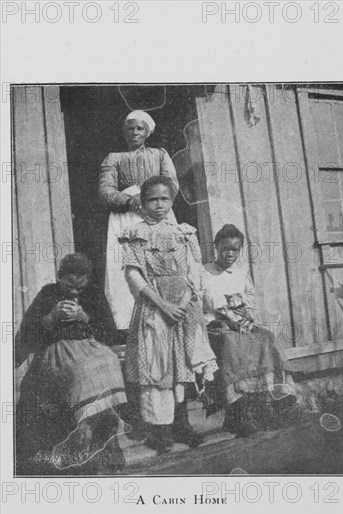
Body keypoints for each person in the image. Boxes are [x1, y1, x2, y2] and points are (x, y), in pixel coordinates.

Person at [119, 176, 218, 453]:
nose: (159, 204)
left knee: (183, 365)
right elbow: (134, 275)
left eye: (164, 199)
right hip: (154, 307)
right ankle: (159, 430)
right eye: (152, 199)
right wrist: (163, 305)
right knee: (157, 365)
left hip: (184, 307)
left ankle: (182, 424)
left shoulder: (183, 233)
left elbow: (193, 272)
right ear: (142, 202)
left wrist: (184, 303)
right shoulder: (135, 233)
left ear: (171, 201)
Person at [15, 253, 127, 475]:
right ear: (61, 277)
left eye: (81, 284)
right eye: (70, 284)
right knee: (81, 370)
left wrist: (85, 316)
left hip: (91, 349)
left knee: (109, 362)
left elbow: (110, 334)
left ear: (87, 279)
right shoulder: (48, 293)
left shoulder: (94, 293)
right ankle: (84, 436)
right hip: (57, 353)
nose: (75, 289)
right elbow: (28, 333)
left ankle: (107, 438)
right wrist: (51, 316)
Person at [203, 224, 297, 437]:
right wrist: (229, 317)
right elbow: (206, 302)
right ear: (216, 246)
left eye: (235, 249)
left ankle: (270, 400)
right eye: (225, 248)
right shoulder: (205, 272)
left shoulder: (240, 273)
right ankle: (238, 409)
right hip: (214, 325)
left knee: (266, 336)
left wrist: (246, 317)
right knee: (232, 342)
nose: (230, 254)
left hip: (240, 323)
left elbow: (250, 301)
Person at [99, 110, 179, 335]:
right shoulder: (113, 158)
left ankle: (167, 316)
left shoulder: (160, 155)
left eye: (140, 128)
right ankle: (132, 325)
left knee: (162, 261)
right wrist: (128, 200)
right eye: (130, 128)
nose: (135, 132)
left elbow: (171, 183)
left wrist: (148, 197)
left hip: (156, 211)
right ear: (124, 132)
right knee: (126, 267)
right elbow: (105, 191)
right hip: (125, 217)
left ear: (147, 132)